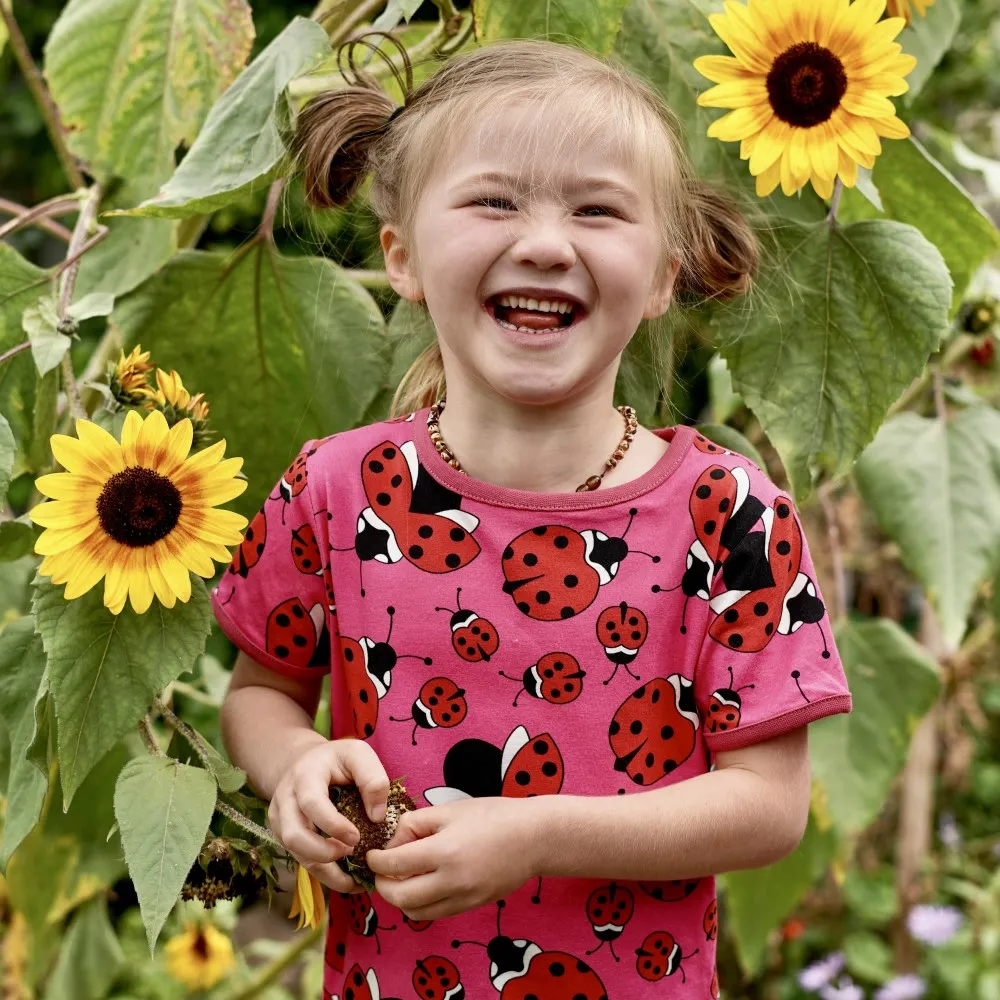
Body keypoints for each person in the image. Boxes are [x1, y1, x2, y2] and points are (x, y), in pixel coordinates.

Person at [214, 30, 852, 1000]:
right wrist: (297, 765)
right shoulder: (331, 489)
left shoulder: (729, 514)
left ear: (664, 275)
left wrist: (538, 833)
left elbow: (768, 807)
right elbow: (259, 691)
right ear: (403, 256)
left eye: (597, 210)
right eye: (492, 201)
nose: (545, 242)